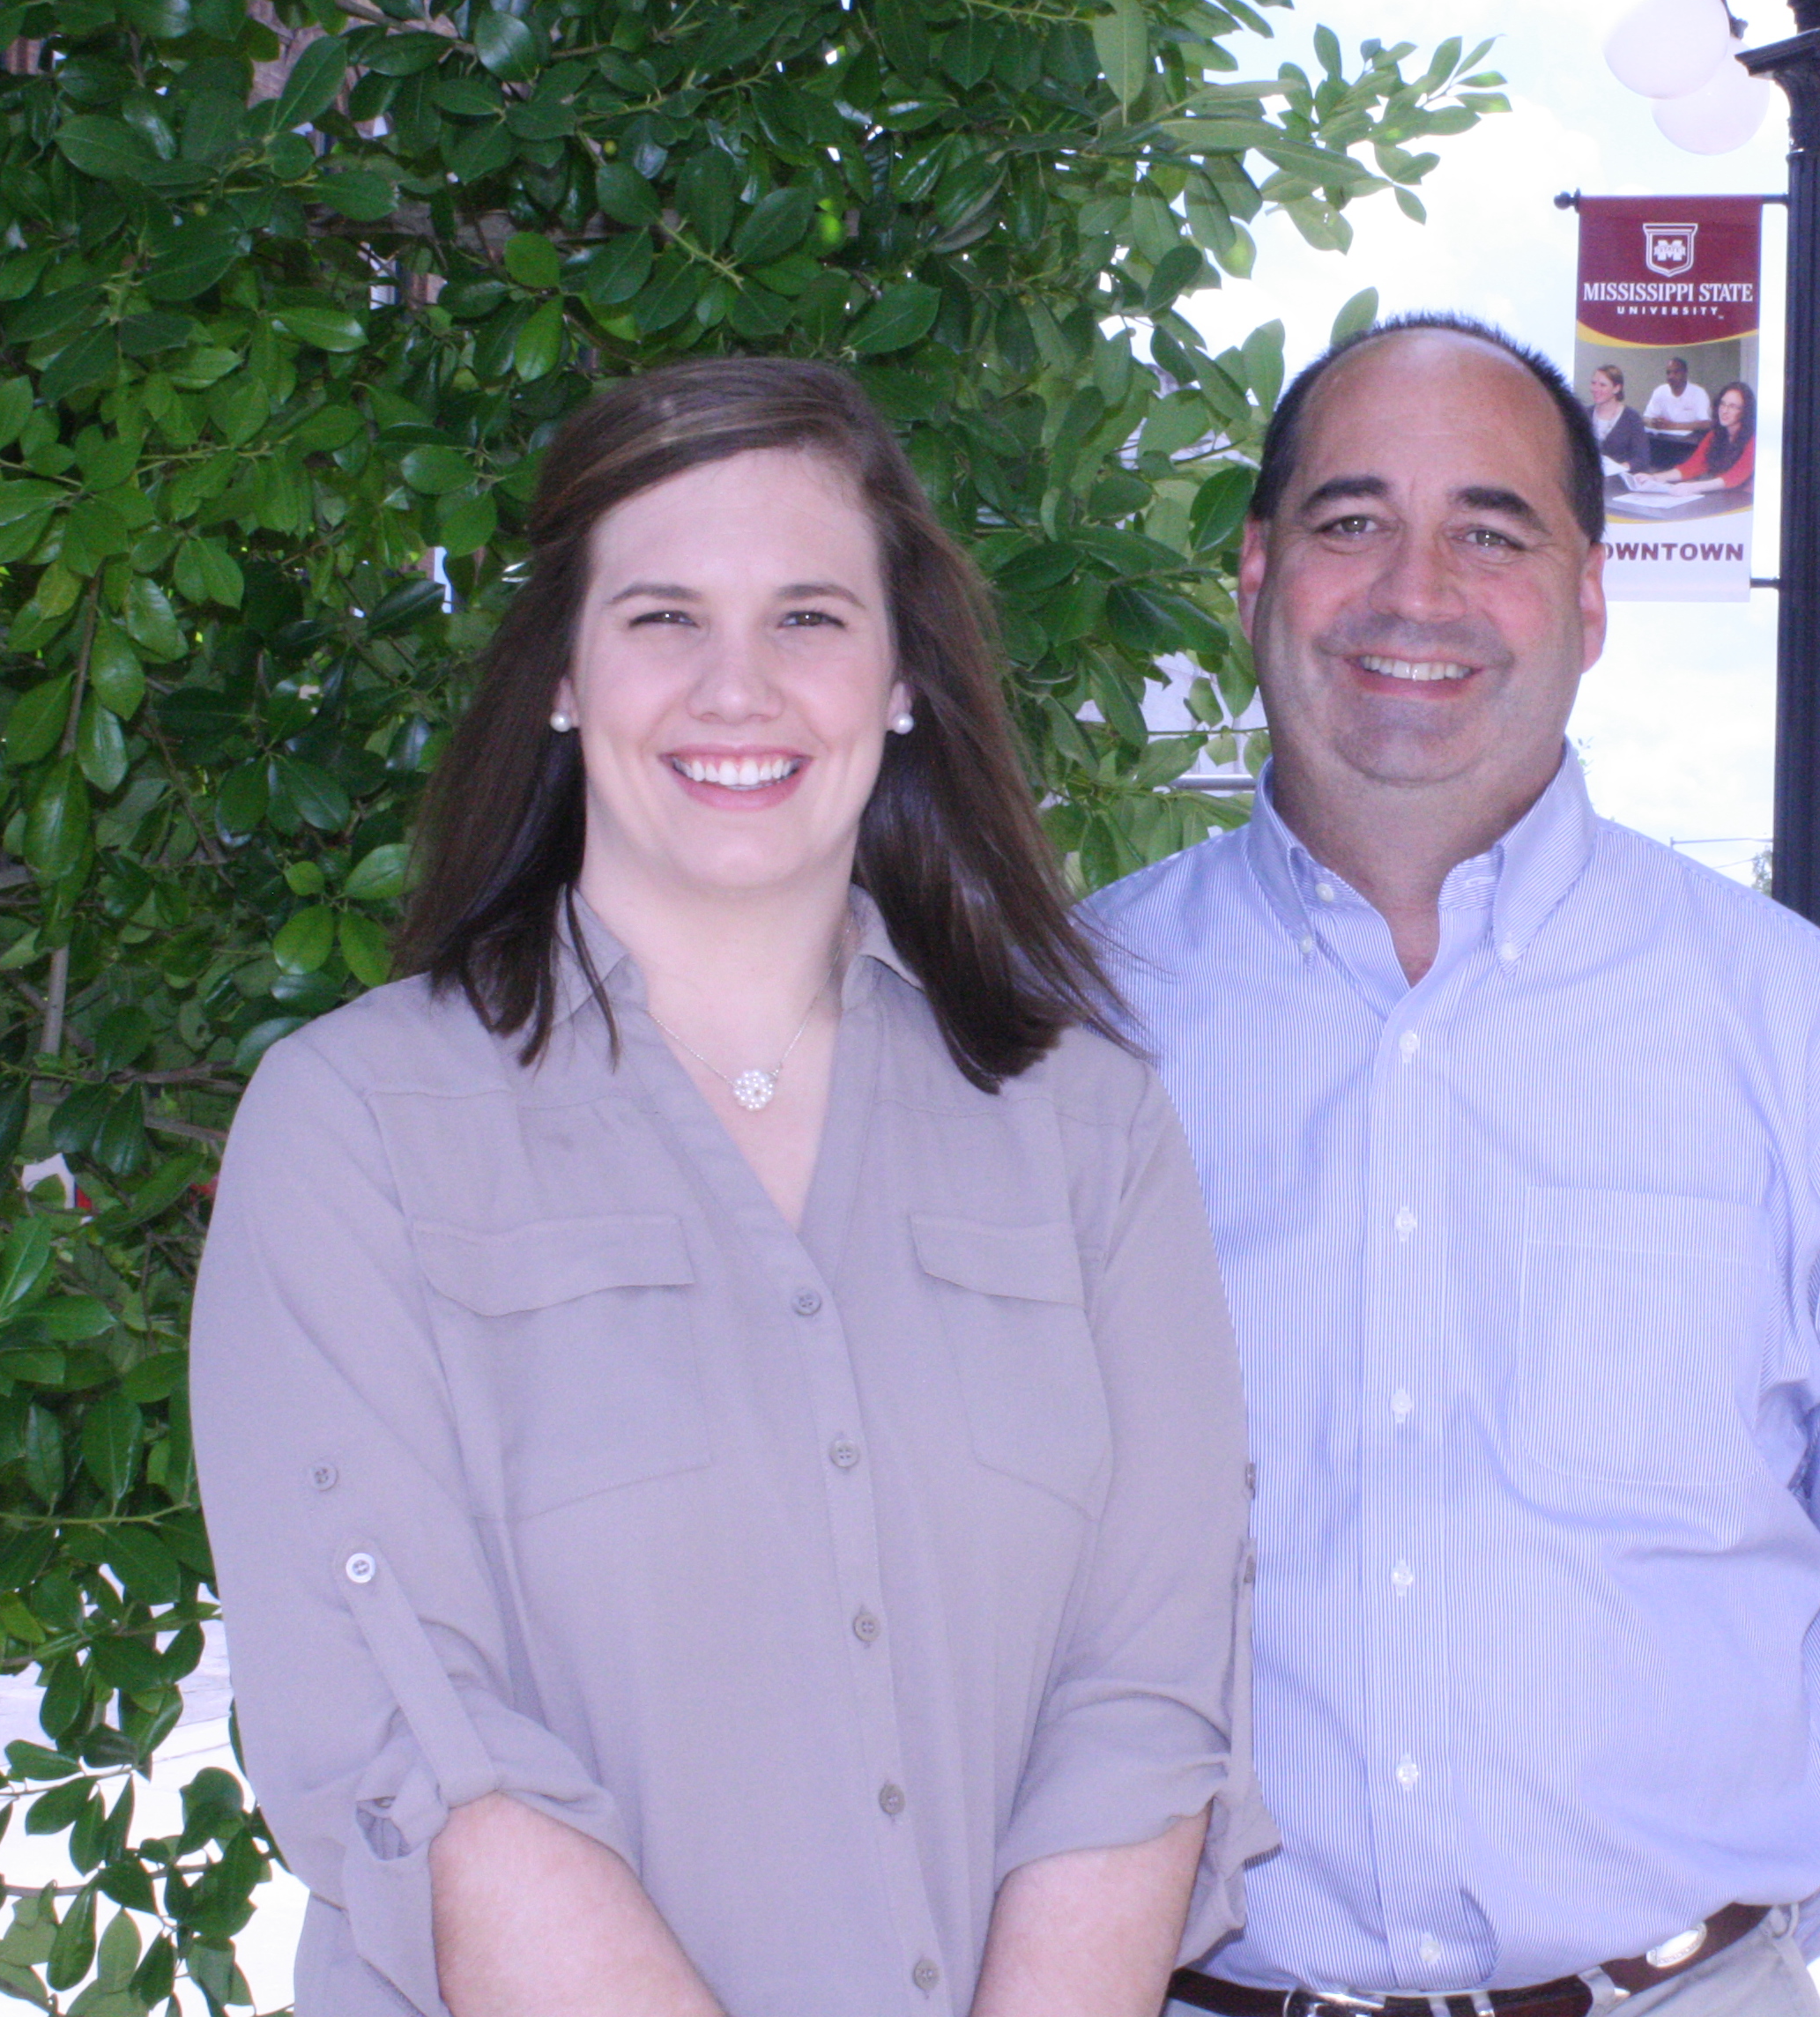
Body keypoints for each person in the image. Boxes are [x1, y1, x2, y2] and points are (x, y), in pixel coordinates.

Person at [193, 358, 1267, 2017]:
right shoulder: (352, 1128)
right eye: (663, 617)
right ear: (560, 671)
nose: (737, 687)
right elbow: (434, 1762)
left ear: (904, 676)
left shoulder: (1092, 1131)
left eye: (810, 618)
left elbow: (1140, 1706)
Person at [1092, 316, 1820, 2017]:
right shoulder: (1074, 1023)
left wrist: (1715, 1953)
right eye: (1350, 519)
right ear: (1253, 572)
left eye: (1492, 530)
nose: (1416, 590)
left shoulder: (1786, 1032)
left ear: (1588, 599)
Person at [1650, 378, 1757, 496]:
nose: (1724, 411)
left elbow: (1735, 476)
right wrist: (1655, 478)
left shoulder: (1755, 439)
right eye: (1723, 404)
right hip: (1723, 496)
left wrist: (1694, 487)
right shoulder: (1715, 435)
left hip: (1748, 499)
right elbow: (1693, 466)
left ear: (1745, 411)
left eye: (1732, 406)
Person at [1639, 352, 1713, 467]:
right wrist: (1654, 423)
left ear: (1685, 373)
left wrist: (1673, 425)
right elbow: (1645, 419)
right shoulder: (1660, 391)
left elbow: (1706, 424)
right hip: (1662, 441)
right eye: (1668, 373)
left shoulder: (1698, 393)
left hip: (1687, 444)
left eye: (1676, 372)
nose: (1671, 376)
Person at [1586, 364, 1652, 473]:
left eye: (1602, 385)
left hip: (1619, 479)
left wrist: (1618, 468)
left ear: (1616, 388)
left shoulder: (1632, 418)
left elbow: (1642, 459)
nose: (1595, 389)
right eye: (1593, 383)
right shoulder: (1583, 415)